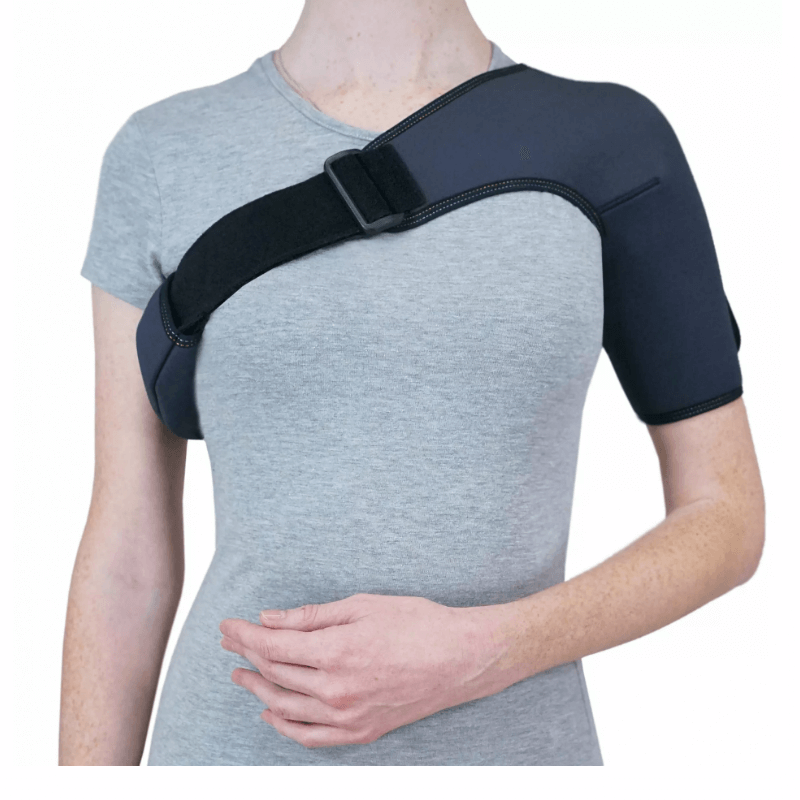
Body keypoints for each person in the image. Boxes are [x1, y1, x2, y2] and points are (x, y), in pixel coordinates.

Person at [60, 0, 765, 766]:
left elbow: (726, 517)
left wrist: (490, 647)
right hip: (227, 752)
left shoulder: (610, 143)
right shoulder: (162, 153)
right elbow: (127, 553)